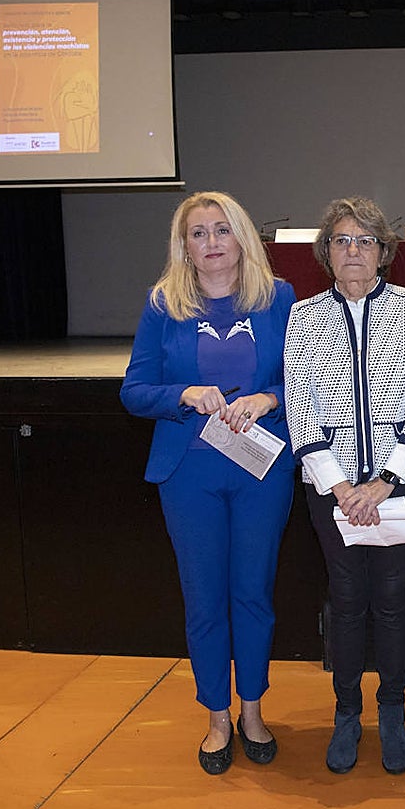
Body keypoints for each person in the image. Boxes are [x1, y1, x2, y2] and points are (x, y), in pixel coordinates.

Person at [121, 191, 295, 775]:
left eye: (222, 229)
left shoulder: (278, 298)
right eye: (198, 233)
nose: (212, 242)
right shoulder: (162, 305)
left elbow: (307, 377)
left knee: (253, 593)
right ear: (184, 246)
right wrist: (183, 394)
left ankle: (252, 711)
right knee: (204, 598)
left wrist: (269, 397)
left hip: (260, 469)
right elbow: (134, 391)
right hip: (188, 473)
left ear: (241, 237)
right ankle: (217, 716)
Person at [284, 196, 405, 775]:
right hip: (331, 490)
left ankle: (392, 710)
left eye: (365, 240)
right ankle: (347, 711)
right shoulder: (305, 317)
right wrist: (341, 486)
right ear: (326, 252)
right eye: (342, 240)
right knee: (347, 600)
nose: (353, 250)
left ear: (383, 251)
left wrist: (385, 481)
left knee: (394, 600)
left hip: (399, 485)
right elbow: (300, 405)